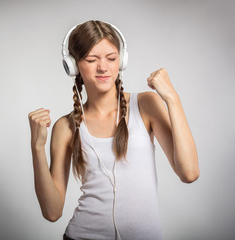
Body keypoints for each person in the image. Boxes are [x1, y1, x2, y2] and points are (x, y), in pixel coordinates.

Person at [28, 20, 199, 240]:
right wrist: (37, 147)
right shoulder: (66, 127)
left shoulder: (146, 105)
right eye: (91, 59)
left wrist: (172, 99)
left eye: (111, 58)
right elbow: (52, 212)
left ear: (122, 60)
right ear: (73, 65)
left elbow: (189, 173)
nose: (103, 67)